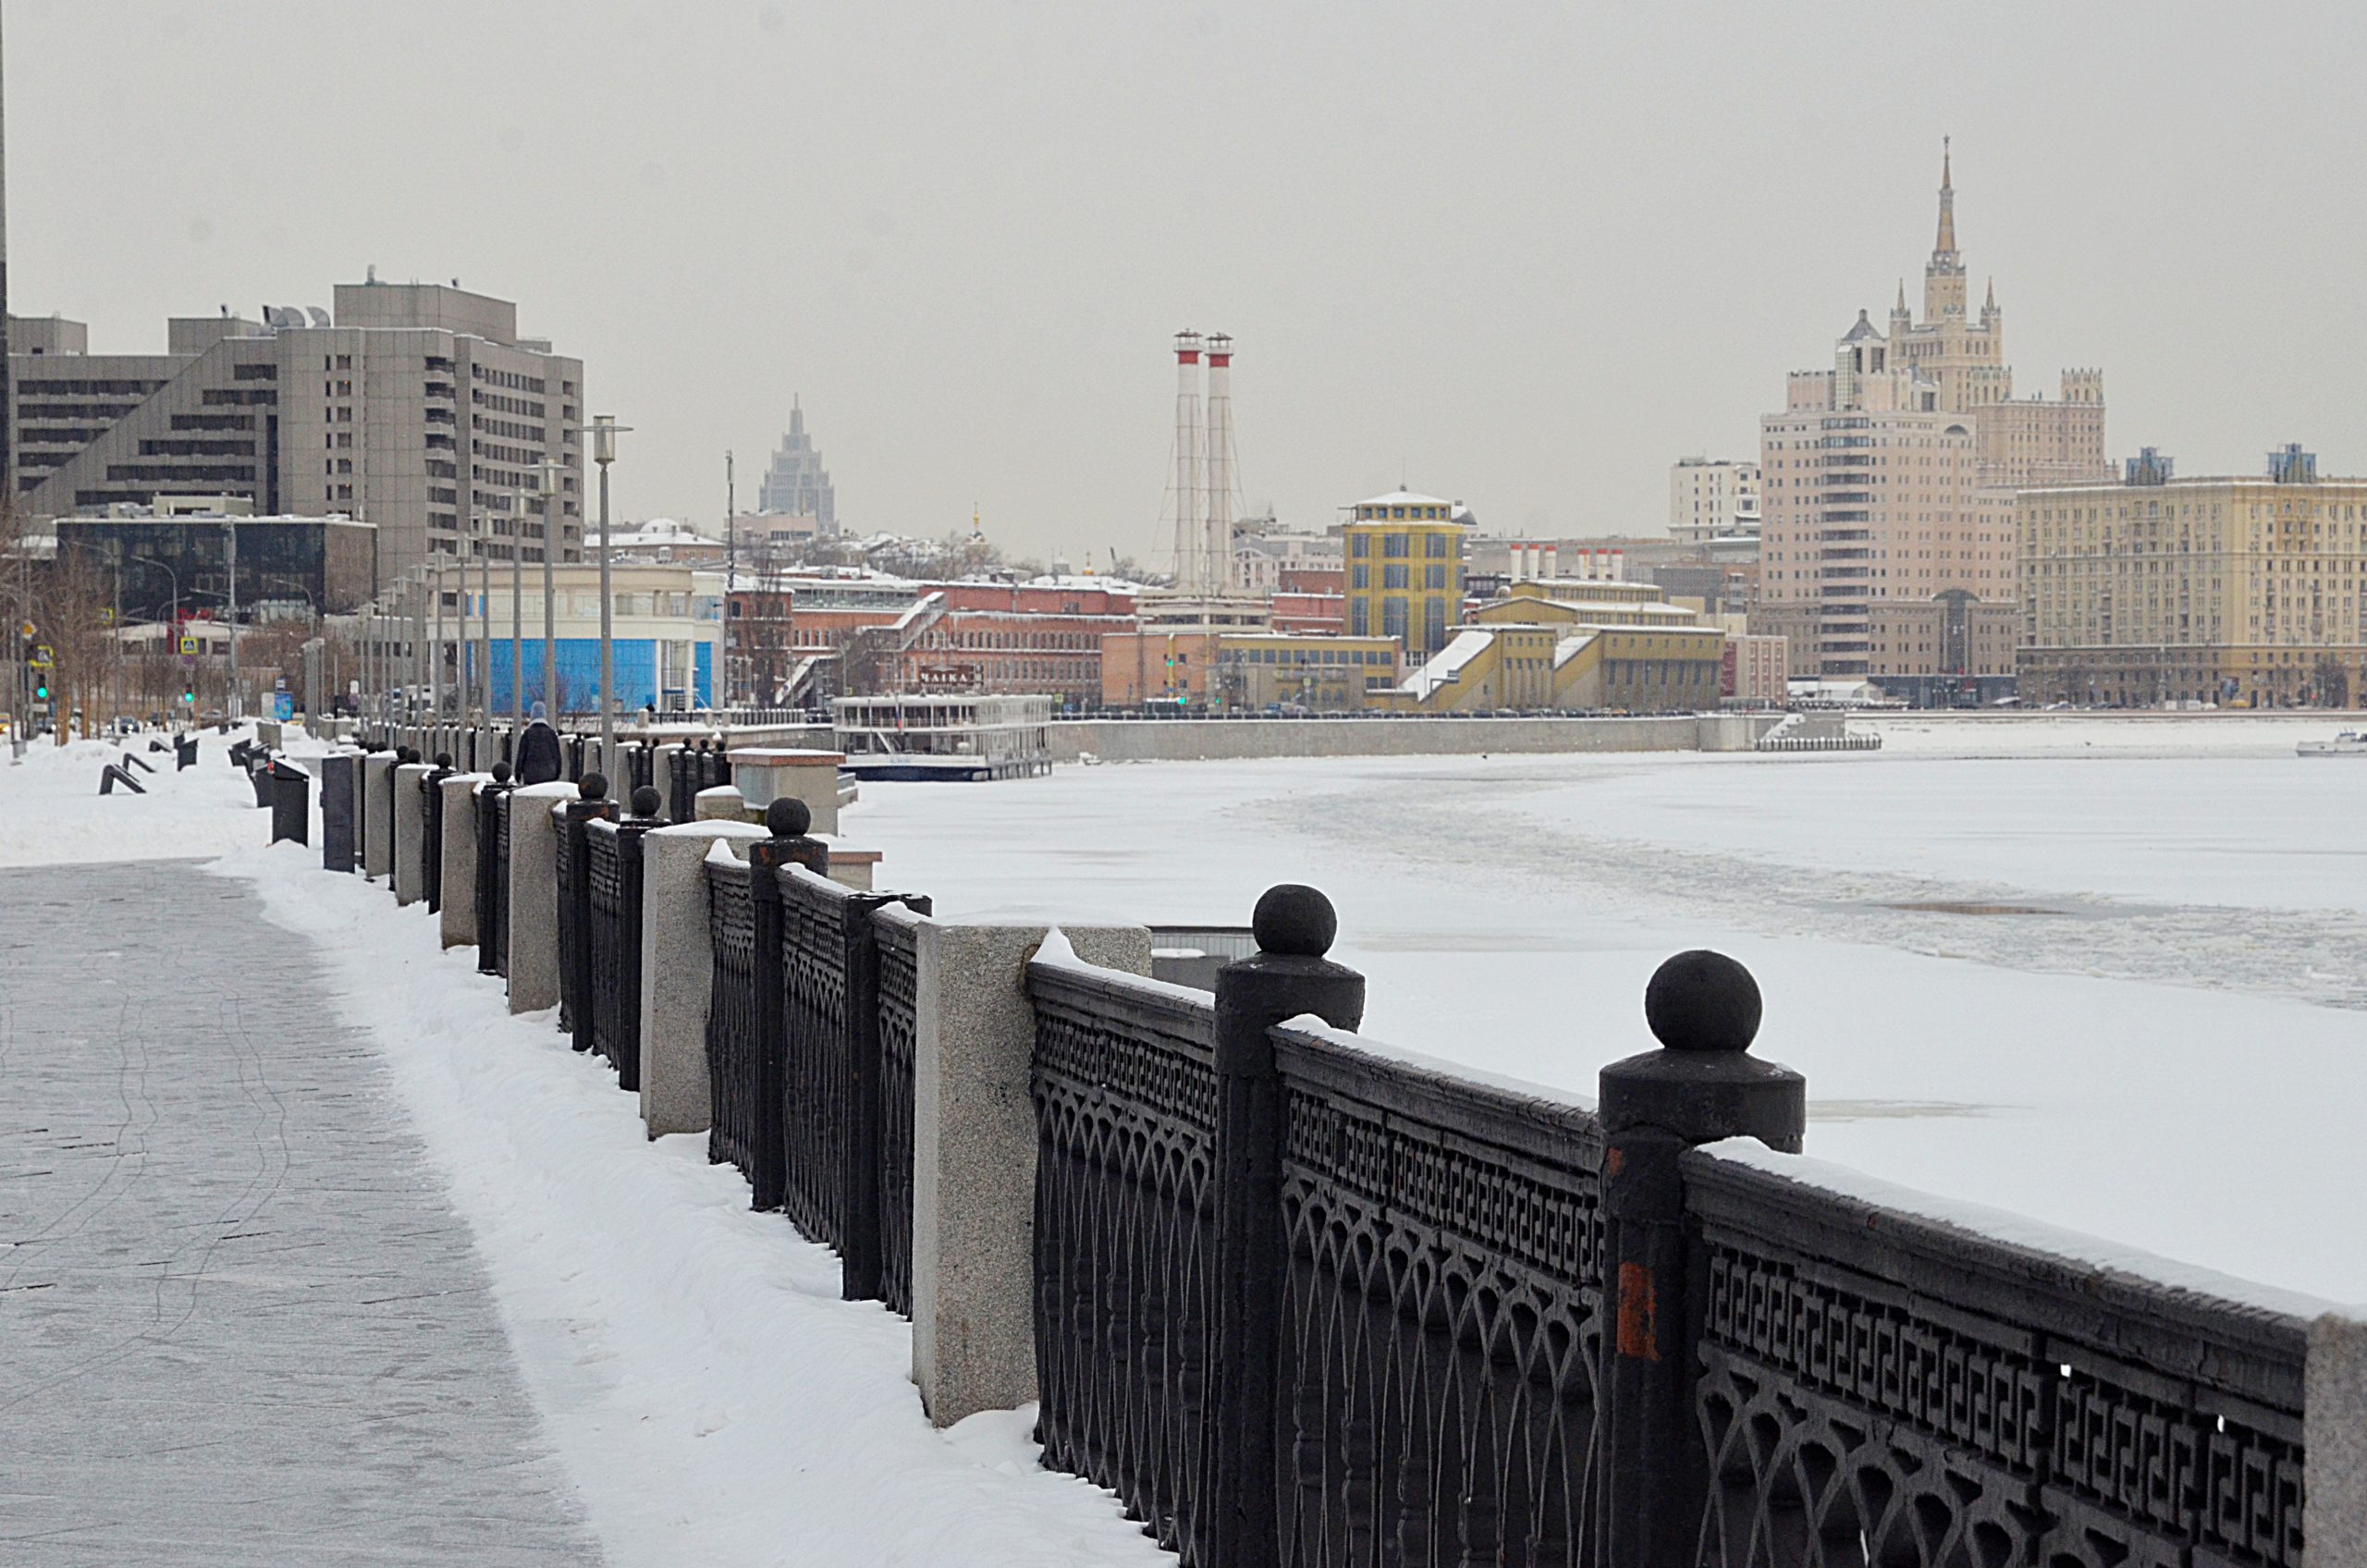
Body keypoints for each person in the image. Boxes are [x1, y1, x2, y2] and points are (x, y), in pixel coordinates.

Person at [514, 700, 563, 785]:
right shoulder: (552, 734)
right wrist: (558, 772)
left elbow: (521, 755)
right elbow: (557, 755)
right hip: (549, 774)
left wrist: (518, 773)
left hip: (531, 775)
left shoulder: (527, 734)